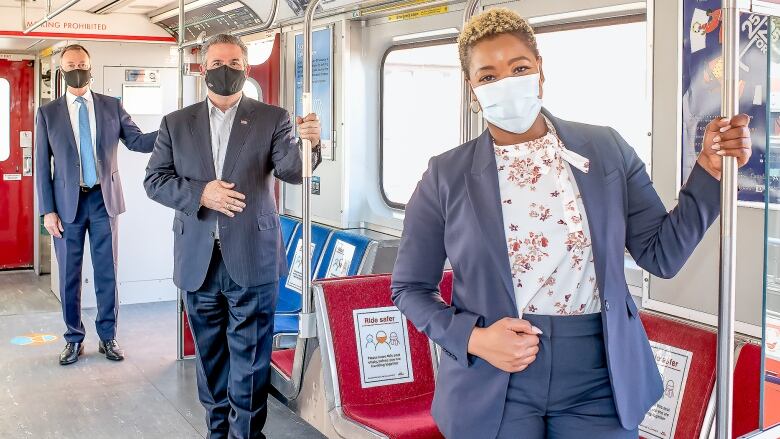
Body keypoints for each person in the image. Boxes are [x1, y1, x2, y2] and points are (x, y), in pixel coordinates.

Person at [390, 9, 752, 439]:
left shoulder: (605, 150)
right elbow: (410, 288)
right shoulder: (444, 176)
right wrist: (474, 339)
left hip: (599, 374)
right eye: (487, 76)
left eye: (519, 68)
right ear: (472, 90)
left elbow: (663, 254)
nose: (505, 83)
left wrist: (708, 173)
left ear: (540, 73)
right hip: (495, 373)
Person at [143, 33, 322, 439]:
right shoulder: (176, 123)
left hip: (252, 254)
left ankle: (246, 434)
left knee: (251, 360)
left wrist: (311, 145)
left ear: (246, 69)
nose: (227, 70)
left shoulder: (272, 118)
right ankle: (217, 430)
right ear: (203, 68)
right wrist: (200, 193)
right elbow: (155, 181)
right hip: (198, 258)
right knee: (211, 358)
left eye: (236, 64)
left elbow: (294, 171)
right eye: (219, 63)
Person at [35, 44, 158, 366]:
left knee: (107, 274)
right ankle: (73, 339)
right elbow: (41, 166)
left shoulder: (111, 106)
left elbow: (138, 141)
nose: (78, 69)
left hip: (104, 201)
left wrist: (173, 129)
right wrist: (47, 211)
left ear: (91, 67)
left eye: (82, 64)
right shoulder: (48, 113)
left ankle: (108, 337)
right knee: (69, 277)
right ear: (63, 72)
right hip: (65, 206)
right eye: (71, 64)